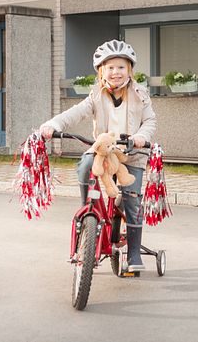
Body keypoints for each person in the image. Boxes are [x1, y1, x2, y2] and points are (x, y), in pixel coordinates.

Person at [39, 39, 157, 272]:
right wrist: (53, 124)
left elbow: (150, 120)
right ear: (102, 71)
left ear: (129, 70)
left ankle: (133, 252)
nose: (116, 72)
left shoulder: (140, 94)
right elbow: (74, 114)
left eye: (121, 67)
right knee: (85, 165)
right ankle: (88, 208)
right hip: (103, 151)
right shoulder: (95, 95)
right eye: (110, 68)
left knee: (132, 198)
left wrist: (141, 136)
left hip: (131, 153)